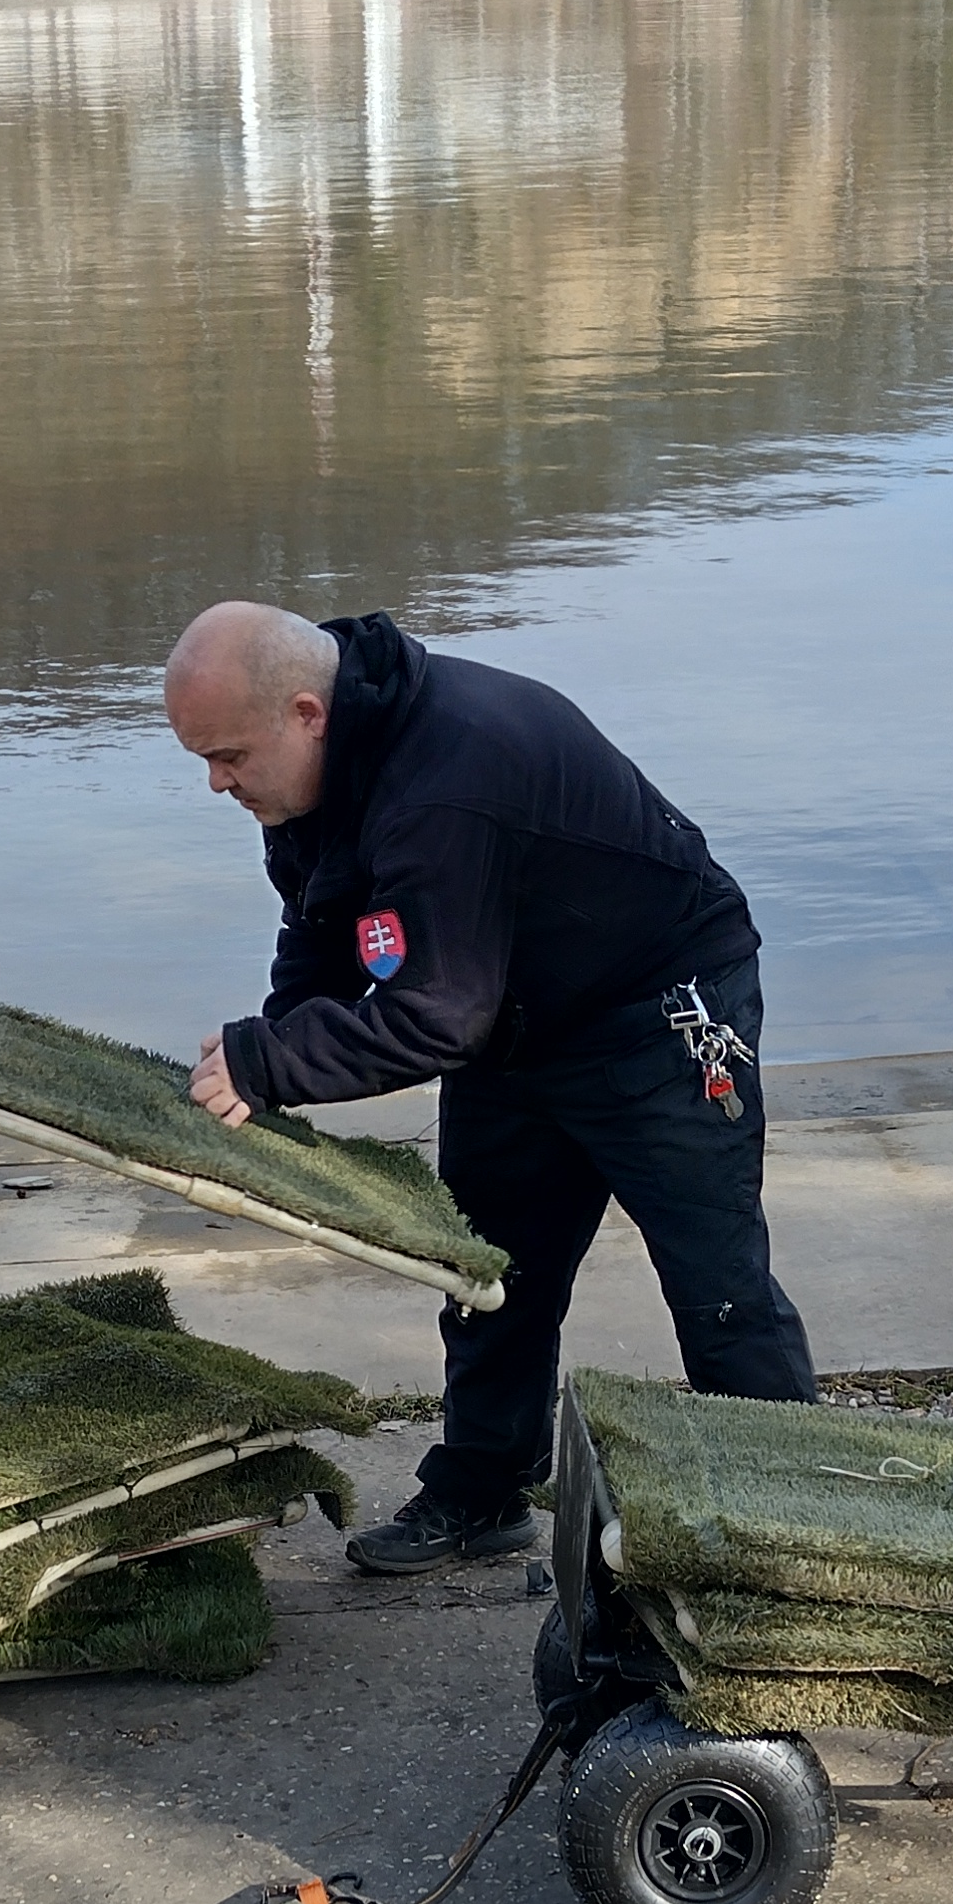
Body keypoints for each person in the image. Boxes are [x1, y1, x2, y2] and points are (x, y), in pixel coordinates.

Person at [164, 601, 817, 1575]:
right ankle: (482, 1491)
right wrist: (278, 1054)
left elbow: (435, 1017)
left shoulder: (445, 783)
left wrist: (270, 1059)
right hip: (515, 1016)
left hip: (657, 1005)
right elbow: (325, 928)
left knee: (718, 1286)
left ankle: (796, 1528)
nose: (217, 784)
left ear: (307, 712)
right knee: (487, 1275)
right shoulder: (311, 779)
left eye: (227, 757)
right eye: (203, 762)